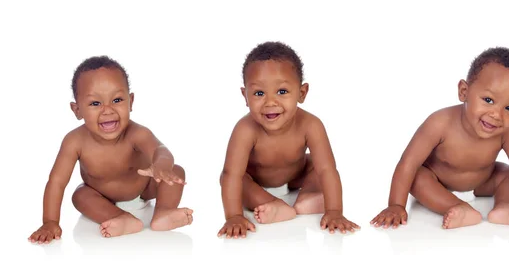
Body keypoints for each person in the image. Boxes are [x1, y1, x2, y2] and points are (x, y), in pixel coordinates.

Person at [371, 47, 509, 231]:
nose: (497, 115)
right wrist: (396, 205)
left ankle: (505, 207)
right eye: (488, 100)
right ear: (464, 92)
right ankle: (458, 207)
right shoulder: (439, 123)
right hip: (437, 181)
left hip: (482, 181)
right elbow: (408, 163)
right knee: (416, 176)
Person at [28, 56, 193, 244]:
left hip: (144, 189)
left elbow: (161, 150)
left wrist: (161, 165)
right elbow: (56, 182)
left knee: (176, 171)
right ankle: (120, 217)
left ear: (130, 101)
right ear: (77, 110)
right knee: (80, 195)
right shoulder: (74, 141)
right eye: (95, 103)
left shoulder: (137, 133)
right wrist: (50, 221)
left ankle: (163, 212)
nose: (108, 110)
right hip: (102, 197)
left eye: (117, 99)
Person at [217, 41, 360, 239]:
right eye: (259, 93)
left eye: (282, 91)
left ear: (302, 93)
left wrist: (335, 211)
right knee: (228, 179)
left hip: (296, 175)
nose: (270, 102)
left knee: (317, 166)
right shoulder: (245, 129)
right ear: (245, 96)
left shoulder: (311, 125)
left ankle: (307, 198)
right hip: (256, 180)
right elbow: (232, 173)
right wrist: (233, 216)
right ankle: (273, 204)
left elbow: (327, 170)